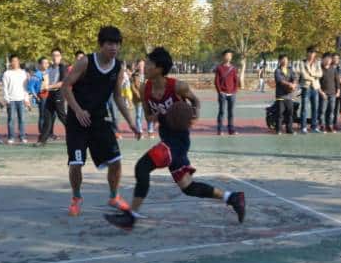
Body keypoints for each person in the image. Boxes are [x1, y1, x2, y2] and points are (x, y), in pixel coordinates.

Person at [105, 46, 246, 230]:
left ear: (159, 68)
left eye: (148, 64)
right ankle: (233, 197)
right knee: (188, 187)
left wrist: (193, 116)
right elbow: (148, 117)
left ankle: (131, 216)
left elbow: (195, 101)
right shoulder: (145, 88)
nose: (144, 67)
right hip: (167, 140)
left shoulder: (177, 86)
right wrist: (159, 115)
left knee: (142, 167)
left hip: (178, 141)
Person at [61, 25, 139, 216]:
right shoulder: (85, 62)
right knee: (76, 163)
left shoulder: (119, 67)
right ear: (101, 45)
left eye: (117, 44)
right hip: (78, 121)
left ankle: (113, 196)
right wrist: (78, 110)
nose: (114, 48)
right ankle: (76, 198)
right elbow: (66, 87)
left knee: (116, 161)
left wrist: (131, 122)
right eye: (110, 44)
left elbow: (118, 97)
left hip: (99, 120)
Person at [37, 48, 68, 144]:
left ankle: (76, 133)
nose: (55, 58)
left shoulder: (62, 67)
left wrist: (48, 86)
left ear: (61, 57)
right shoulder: (49, 69)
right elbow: (45, 81)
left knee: (62, 116)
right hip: (50, 94)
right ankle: (42, 140)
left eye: (57, 55)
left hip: (59, 94)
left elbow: (62, 83)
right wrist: (43, 86)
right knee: (47, 116)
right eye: (53, 55)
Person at [294, 46, 323, 133]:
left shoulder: (317, 63)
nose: (312, 54)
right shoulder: (302, 63)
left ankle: (314, 127)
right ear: (307, 53)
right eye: (310, 52)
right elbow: (302, 74)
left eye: (314, 53)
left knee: (315, 108)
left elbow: (320, 74)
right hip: (306, 87)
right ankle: (303, 127)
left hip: (315, 87)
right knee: (304, 108)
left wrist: (311, 74)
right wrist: (313, 77)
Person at [2, 55, 30, 144]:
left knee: (22, 119)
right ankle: (11, 137)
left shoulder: (23, 73)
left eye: (16, 61)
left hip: (21, 99)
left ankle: (22, 136)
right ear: (10, 62)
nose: (15, 63)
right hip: (11, 100)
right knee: (11, 119)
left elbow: (26, 87)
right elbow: (5, 87)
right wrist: (6, 98)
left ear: (19, 62)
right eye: (13, 61)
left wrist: (26, 99)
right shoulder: (7, 73)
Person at [214, 49, 239, 135]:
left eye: (230, 56)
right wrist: (220, 91)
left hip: (232, 94)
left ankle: (231, 130)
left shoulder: (233, 68)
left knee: (231, 112)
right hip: (223, 94)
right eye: (227, 55)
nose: (229, 57)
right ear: (224, 56)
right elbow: (216, 81)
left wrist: (235, 91)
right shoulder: (219, 68)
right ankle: (220, 130)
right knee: (222, 111)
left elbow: (236, 81)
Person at [274, 55, 297, 134]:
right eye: (283, 59)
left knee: (290, 114)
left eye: (286, 59)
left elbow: (295, 78)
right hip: (281, 96)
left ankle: (289, 129)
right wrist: (289, 85)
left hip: (290, 96)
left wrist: (294, 84)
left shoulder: (290, 70)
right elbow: (280, 80)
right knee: (280, 114)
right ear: (280, 61)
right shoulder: (277, 70)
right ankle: (279, 129)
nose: (285, 61)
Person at [320, 53, 341, 132]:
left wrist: (338, 91)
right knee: (322, 110)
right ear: (323, 59)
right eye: (326, 59)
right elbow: (317, 83)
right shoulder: (320, 69)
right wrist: (321, 92)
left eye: (329, 59)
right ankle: (322, 126)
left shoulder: (333, 69)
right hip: (323, 93)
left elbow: (337, 81)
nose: (328, 60)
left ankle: (330, 126)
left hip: (333, 93)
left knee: (331, 110)